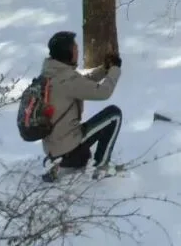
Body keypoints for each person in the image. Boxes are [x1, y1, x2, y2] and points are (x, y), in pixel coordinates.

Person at [41, 31, 123, 171]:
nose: (78, 52)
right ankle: (101, 166)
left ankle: (60, 160)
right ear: (67, 53)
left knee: (82, 147)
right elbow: (103, 92)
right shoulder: (66, 79)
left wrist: (105, 69)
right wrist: (115, 69)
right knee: (114, 114)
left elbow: (82, 82)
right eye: (75, 49)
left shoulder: (50, 73)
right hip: (67, 149)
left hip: (53, 148)